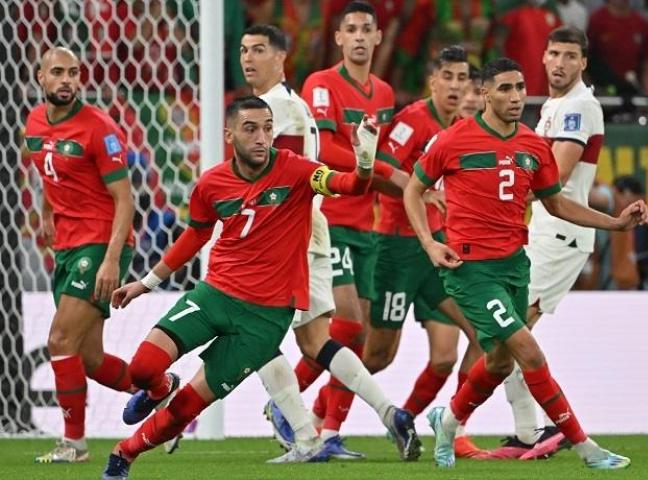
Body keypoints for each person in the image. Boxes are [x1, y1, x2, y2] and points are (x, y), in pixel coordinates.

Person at [100, 96, 419, 479]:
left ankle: (124, 455)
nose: (261, 137)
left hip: (265, 320)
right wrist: (147, 283)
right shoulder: (211, 184)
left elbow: (348, 185)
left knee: (187, 408)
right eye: (250, 129)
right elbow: (195, 236)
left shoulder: (298, 171)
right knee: (142, 368)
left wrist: (365, 162)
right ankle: (159, 386)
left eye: (268, 128)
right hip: (214, 295)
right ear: (229, 134)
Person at [404, 57, 646, 470]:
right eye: (504, 89)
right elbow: (413, 189)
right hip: (471, 271)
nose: (515, 97)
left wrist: (615, 225)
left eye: (519, 88)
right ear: (484, 94)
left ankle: (447, 421)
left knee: (499, 361)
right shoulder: (453, 141)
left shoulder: (534, 146)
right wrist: (428, 243)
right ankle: (587, 448)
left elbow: (556, 202)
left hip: (515, 267)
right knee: (529, 353)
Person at [238, 24, 420, 461]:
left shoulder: (277, 110)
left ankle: (300, 431)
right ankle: (386, 412)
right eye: (244, 50)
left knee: (255, 331)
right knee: (319, 340)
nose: (248, 59)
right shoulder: (292, 104)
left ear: (281, 57)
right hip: (313, 228)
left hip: (284, 235)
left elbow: (280, 176)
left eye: (259, 50)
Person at [296, 0, 407, 455]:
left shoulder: (383, 93)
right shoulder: (320, 85)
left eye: (367, 29)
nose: (360, 36)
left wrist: (403, 181)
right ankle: (289, 406)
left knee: (356, 334)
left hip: (366, 223)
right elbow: (323, 150)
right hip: (329, 217)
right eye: (351, 30)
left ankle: (327, 431)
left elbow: (372, 160)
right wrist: (387, 170)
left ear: (378, 37)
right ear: (338, 39)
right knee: (348, 321)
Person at [363, 44, 485, 458]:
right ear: (432, 80)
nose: (455, 86)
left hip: (435, 250)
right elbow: (377, 165)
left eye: (461, 78)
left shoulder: (459, 128)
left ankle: (427, 420)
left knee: (474, 336)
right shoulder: (413, 119)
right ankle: (316, 418)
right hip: (397, 246)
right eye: (447, 77)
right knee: (377, 355)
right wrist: (420, 190)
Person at [492, 25, 607, 460]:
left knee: (511, 333)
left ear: (582, 63)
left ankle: (534, 430)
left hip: (560, 236)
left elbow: (551, 177)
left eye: (569, 56)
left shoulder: (580, 108)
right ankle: (529, 431)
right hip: (541, 230)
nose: (559, 63)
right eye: (554, 54)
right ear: (543, 57)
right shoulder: (554, 107)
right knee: (506, 334)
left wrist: (493, 188)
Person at [25, 47, 136, 464]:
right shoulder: (34, 124)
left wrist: (111, 260)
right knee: (88, 358)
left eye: (73, 72)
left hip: (99, 244)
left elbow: (125, 200)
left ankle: (74, 445)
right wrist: (46, 215)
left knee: (59, 339)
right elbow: (48, 175)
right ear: (41, 77)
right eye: (57, 72)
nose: (66, 79)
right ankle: (162, 391)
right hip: (67, 246)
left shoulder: (99, 129)